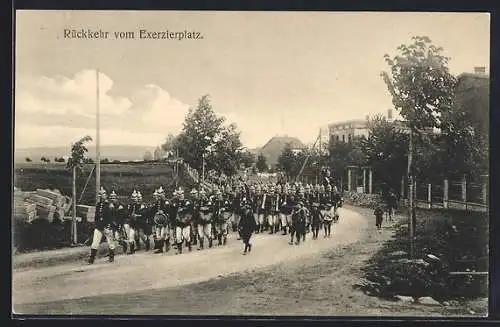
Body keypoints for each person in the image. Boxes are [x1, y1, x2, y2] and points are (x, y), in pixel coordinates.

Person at [88, 187, 116, 264]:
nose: (101, 196)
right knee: (95, 243)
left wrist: (109, 226)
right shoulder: (98, 205)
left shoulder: (110, 205)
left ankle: (111, 257)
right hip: (99, 227)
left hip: (107, 226)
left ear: (106, 195)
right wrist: (96, 225)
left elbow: (111, 217)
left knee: (110, 243)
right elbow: (96, 217)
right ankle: (92, 259)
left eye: (103, 194)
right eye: (100, 194)